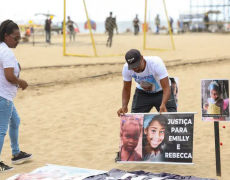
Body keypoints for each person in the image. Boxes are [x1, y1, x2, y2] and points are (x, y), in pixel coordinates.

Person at [0, 20, 32, 172]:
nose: (18, 41)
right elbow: (9, 76)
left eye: (20, 38)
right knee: (1, 130)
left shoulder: (1, 48)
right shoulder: (6, 52)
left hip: (5, 96)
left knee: (15, 121)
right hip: (3, 97)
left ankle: (16, 153)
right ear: (6, 36)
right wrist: (21, 82)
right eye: (16, 38)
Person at [117, 49, 177, 116]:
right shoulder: (126, 68)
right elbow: (126, 89)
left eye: (137, 65)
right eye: (132, 67)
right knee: (135, 119)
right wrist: (124, 106)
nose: (136, 69)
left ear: (142, 58)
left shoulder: (156, 63)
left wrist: (163, 104)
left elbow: (166, 87)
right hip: (143, 93)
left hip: (162, 92)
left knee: (171, 117)